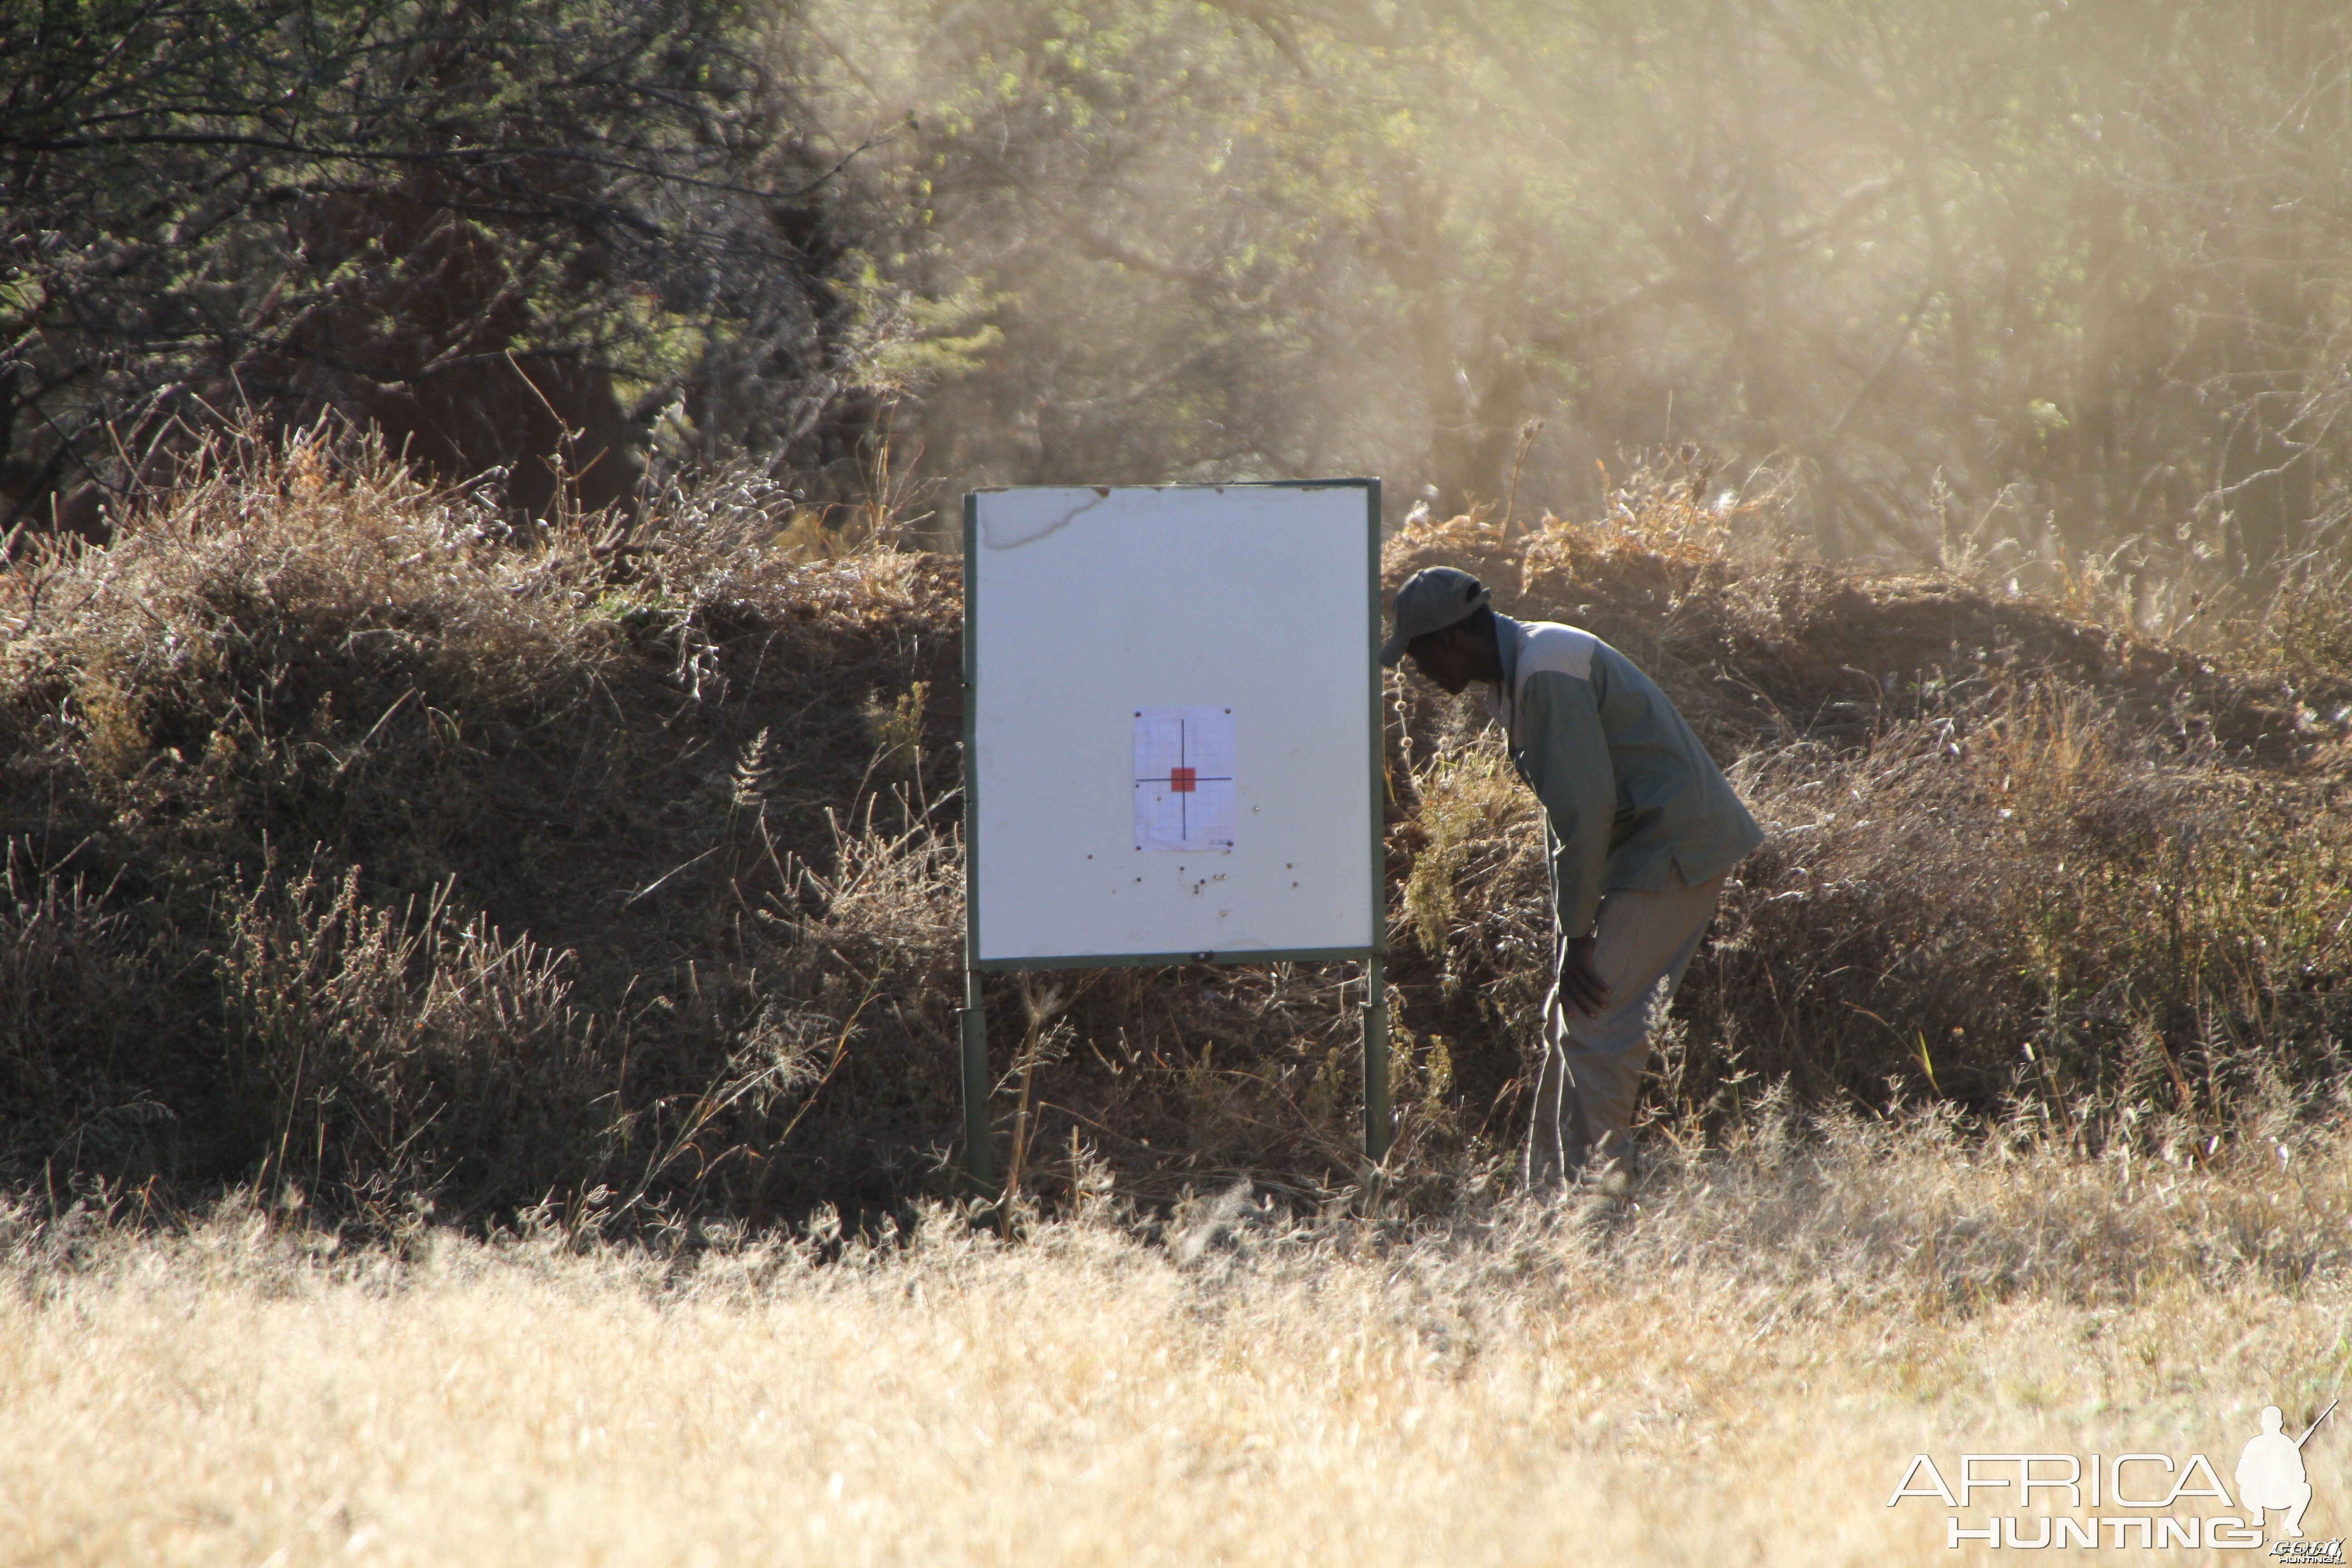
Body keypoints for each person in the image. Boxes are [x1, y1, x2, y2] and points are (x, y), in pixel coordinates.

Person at [1381, 566, 1764, 1195]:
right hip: (1643, 853)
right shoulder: (1521, 672)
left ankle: (1601, 1215)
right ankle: (1552, 1208)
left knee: (1594, 1028)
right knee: (1570, 1019)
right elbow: (1570, 815)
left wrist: (1579, 935)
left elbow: (1585, 813)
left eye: (1419, 655)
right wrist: (1572, 926)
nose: (1419, 672)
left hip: (1671, 852)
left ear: (1450, 640)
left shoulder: (1546, 667)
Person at [2236, 1405, 2313, 1538]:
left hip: (2281, 1494)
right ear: (2263, 1424)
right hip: (2257, 1496)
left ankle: (2292, 1522)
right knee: (2253, 1481)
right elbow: (2240, 1475)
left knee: (2305, 1489)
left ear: (2280, 1424)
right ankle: (2258, 1515)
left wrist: (2286, 1471)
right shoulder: (2254, 1445)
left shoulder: (2288, 1445)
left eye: (2274, 1422)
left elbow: (2301, 1476)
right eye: (2269, 1422)